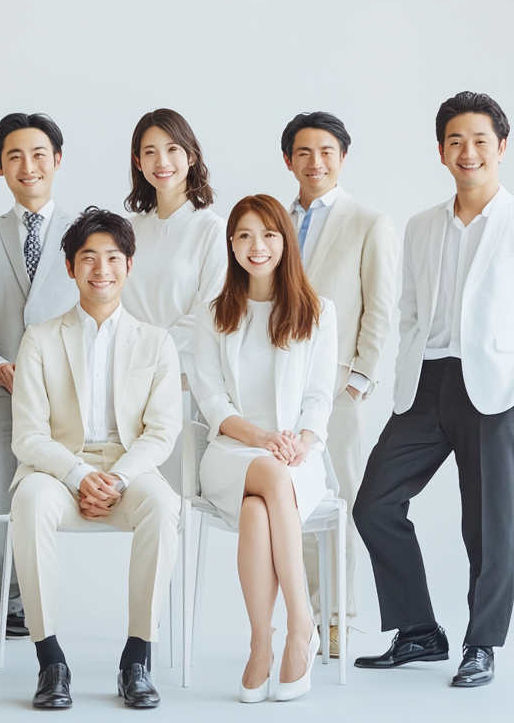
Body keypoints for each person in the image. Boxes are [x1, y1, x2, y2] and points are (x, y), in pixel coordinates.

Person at [353, 92, 514, 688]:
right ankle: (419, 631)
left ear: (501, 147)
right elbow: (411, 310)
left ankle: (482, 643)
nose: (467, 152)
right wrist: (406, 373)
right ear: (441, 151)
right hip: (427, 382)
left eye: (479, 141)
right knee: (373, 503)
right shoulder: (422, 226)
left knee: (488, 524)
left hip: (497, 390)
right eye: (455, 141)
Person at [9, 207, 183, 710]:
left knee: (162, 504)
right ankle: (50, 660)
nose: (100, 269)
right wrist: (81, 474)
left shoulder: (157, 342)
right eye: (88, 258)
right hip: (57, 470)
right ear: (70, 267)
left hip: (128, 470)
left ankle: (137, 658)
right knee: (31, 503)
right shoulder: (40, 338)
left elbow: (162, 431)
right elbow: (28, 436)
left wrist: (119, 478)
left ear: (129, 264)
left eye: (112, 257)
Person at [194, 194, 338, 703]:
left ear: (285, 241)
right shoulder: (213, 315)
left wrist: (301, 440)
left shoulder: (318, 311)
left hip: (297, 455)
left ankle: (262, 644)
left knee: (258, 512)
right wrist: (260, 439)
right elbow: (211, 400)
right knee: (267, 478)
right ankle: (302, 623)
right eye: (245, 236)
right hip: (233, 452)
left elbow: (321, 395)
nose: (257, 247)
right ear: (231, 244)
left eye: (269, 235)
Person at [0, 112, 78, 639]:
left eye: (38, 155)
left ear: (57, 160)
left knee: (37, 501)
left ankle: (28, 602)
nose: (28, 167)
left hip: (60, 402)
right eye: (14, 157)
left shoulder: (86, 236)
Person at [278, 111, 398, 656]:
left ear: (342, 157)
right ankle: (304, 617)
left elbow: (381, 306)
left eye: (326, 151)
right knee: (294, 504)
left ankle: (339, 619)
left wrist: (360, 380)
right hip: (279, 388)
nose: (315, 162)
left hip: (339, 388)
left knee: (343, 500)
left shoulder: (369, 221)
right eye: (304, 152)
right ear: (289, 160)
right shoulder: (273, 218)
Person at [121, 108, 227, 396]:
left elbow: (209, 312)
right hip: (124, 373)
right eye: (150, 152)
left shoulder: (213, 230)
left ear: (191, 156)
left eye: (172, 149)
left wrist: (151, 352)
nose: (162, 162)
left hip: (184, 377)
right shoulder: (127, 231)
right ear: (138, 160)